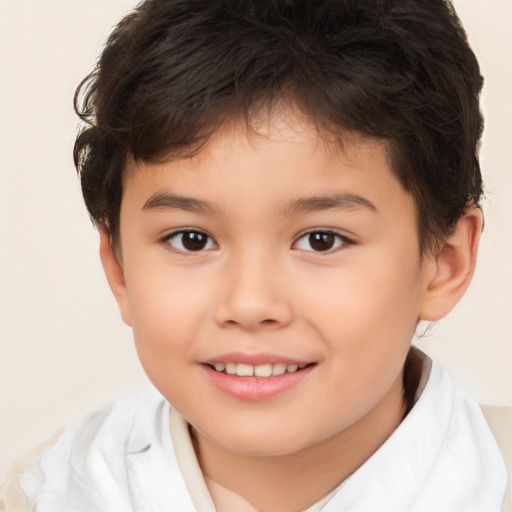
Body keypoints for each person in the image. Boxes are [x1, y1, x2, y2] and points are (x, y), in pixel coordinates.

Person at [1, 0, 510, 510]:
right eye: (191, 239)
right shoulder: (47, 493)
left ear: (445, 263)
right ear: (120, 269)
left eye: (321, 240)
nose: (249, 304)